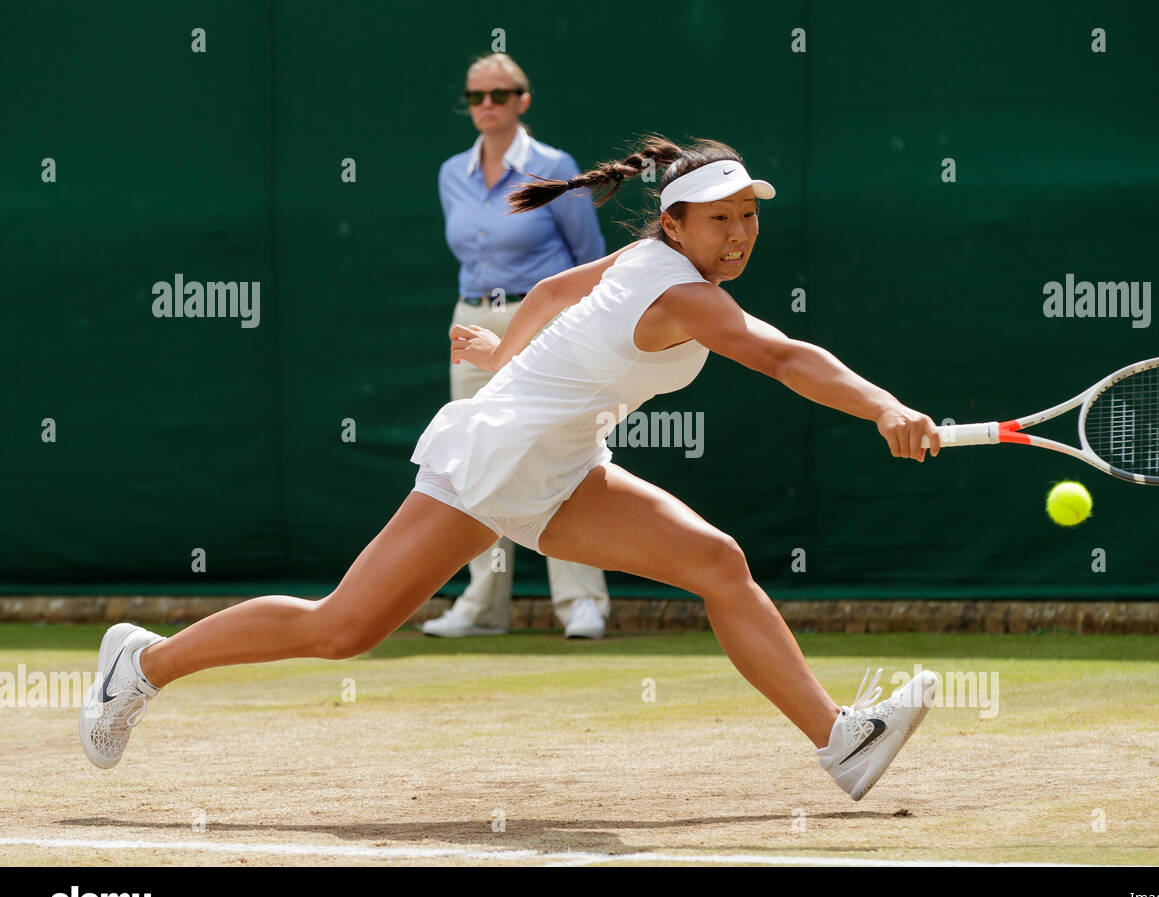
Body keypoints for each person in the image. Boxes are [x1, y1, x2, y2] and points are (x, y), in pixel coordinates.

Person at [79, 134, 944, 802]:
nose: (740, 233)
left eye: (749, 216)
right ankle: (143, 665)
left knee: (717, 561)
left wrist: (507, 363)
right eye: (720, 218)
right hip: (494, 461)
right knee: (342, 628)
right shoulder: (681, 290)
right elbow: (786, 358)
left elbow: (549, 295)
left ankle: (840, 741)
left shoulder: (650, 261)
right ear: (675, 224)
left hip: (561, 466)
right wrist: (884, 407)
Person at [425, 52, 610, 640]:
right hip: (469, 319)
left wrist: (580, 334)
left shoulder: (556, 167)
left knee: (559, 451)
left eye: (499, 95)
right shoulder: (451, 172)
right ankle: (481, 608)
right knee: (472, 457)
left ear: (522, 100)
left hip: (543, 322)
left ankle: (583, 603)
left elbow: (589, 261)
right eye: (476, 96)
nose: (486, 106)